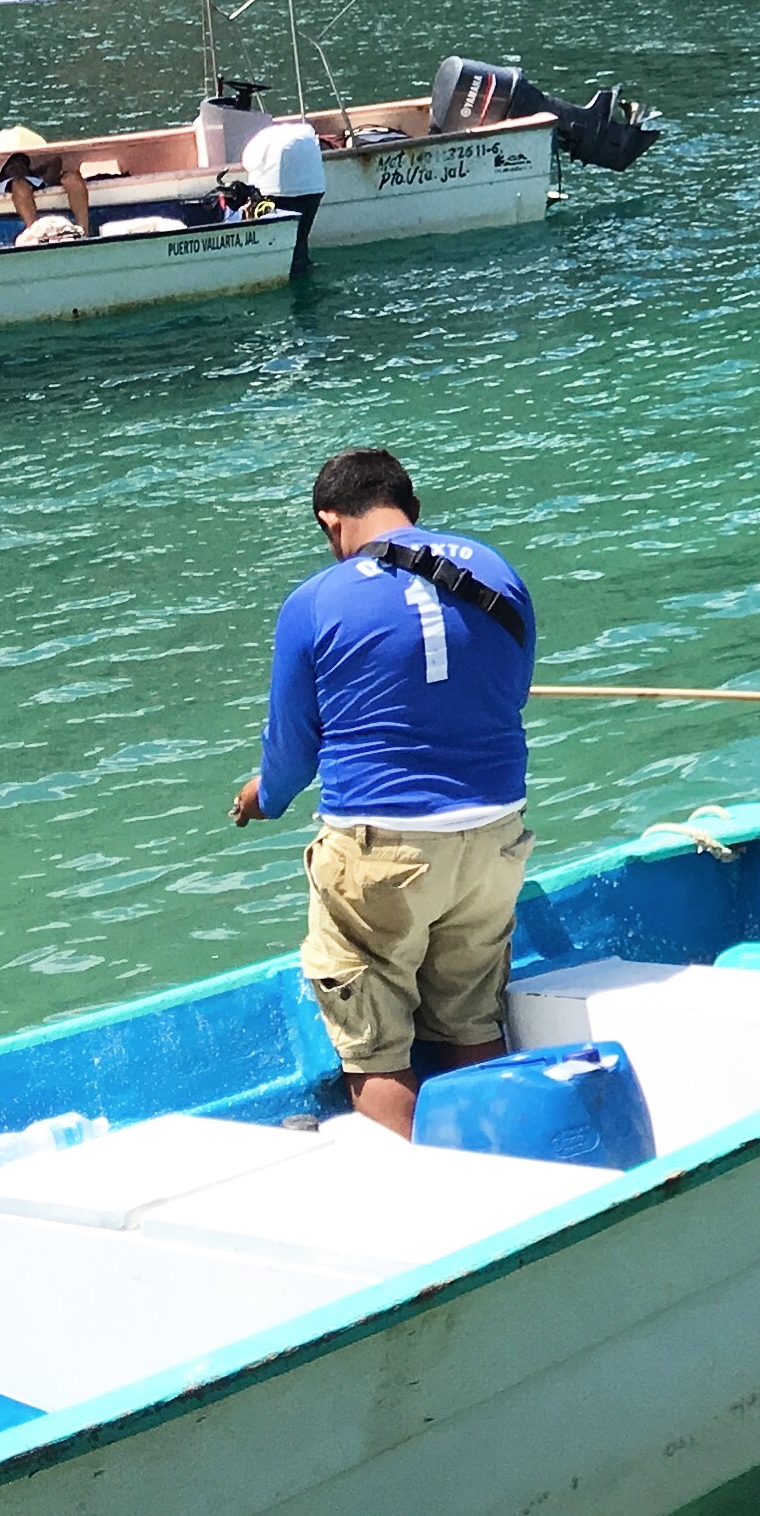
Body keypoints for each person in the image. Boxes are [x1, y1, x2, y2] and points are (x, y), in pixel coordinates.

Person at [231, 449, 538, 1135]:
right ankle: (504, 1177)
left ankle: (424, 1210)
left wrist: (263, 796)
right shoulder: (496, 572)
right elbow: (507, 696)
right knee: (471, 1021)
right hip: (495, 839)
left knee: (376, 1051)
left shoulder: (314, 601)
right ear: (411, 510)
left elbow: (291, 751)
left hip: (380, 848)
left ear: (330, 520)